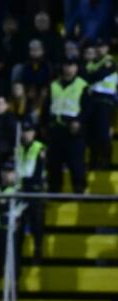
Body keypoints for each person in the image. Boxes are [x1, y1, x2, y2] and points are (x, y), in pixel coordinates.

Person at [45, 59, 88, 193]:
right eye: (66, 65)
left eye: (72, 66)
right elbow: (46, 106)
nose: (69, 69)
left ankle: (79, 190)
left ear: (76, 68)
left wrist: (79, 121)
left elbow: (87, 108)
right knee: (54, 163)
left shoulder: (82, 85)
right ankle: (54, 192)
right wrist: (45, 125)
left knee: (76, 163)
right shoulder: (53, 85)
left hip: (74, 130)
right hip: (56, 128)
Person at [0, 165, 25, 296]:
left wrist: (0, 205)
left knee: (12, 260)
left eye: (10, 172)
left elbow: (8, 207)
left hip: (9, 230)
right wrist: (0, 204)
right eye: (4, 171)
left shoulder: (18, 189)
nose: (7, 175)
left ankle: (14, 286)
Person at [15, 122, 46, 260]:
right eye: (24, 131)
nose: (26, 134)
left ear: (33, 133)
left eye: (29, 131)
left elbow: (40, 170)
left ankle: (38, 248)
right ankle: (19, 250)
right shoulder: (18, 149)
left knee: (36, 221)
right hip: (21, 190)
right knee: (19, 222)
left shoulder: (39, 148)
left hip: (34, 190)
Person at [84, 39, 117, 168]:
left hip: (105, 100)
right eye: (97, 47)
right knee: (92, 132)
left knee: (103, 132)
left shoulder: (109, 61)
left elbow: (98, 75)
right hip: (91, 100)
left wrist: (90, 76)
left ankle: (106, 159)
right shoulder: (91, 63)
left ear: (107, 48)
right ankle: (93, 160)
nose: (99, 49)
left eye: (102, 46)